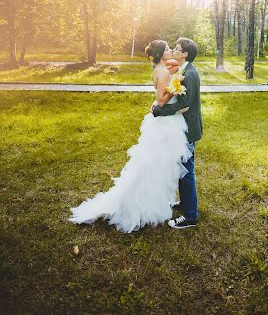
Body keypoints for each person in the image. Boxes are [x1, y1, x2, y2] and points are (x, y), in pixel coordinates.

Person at [68, 40, 192, 233]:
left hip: (162, 123)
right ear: (160, 54)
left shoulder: (162, 69)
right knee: (158, 165)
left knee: (156, 164)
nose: (170, 52)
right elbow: (161, 101)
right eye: (167, 49)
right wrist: (176, 87)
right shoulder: (165, 72)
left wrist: (175, 75)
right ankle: (145, 204)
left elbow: (175, 67)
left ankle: (155, 200)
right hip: (165, 123)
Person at [152, 37, 202, 229]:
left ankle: (191, 216)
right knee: (183, 169)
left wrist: (159, 110)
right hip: (184, 126)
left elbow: (184, 104)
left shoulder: (189, 74)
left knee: (187, 171)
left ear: (185, 54)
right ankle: (185, 203)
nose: (173, 50)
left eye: (177, 48)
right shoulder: (185, 70)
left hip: (188, 129)